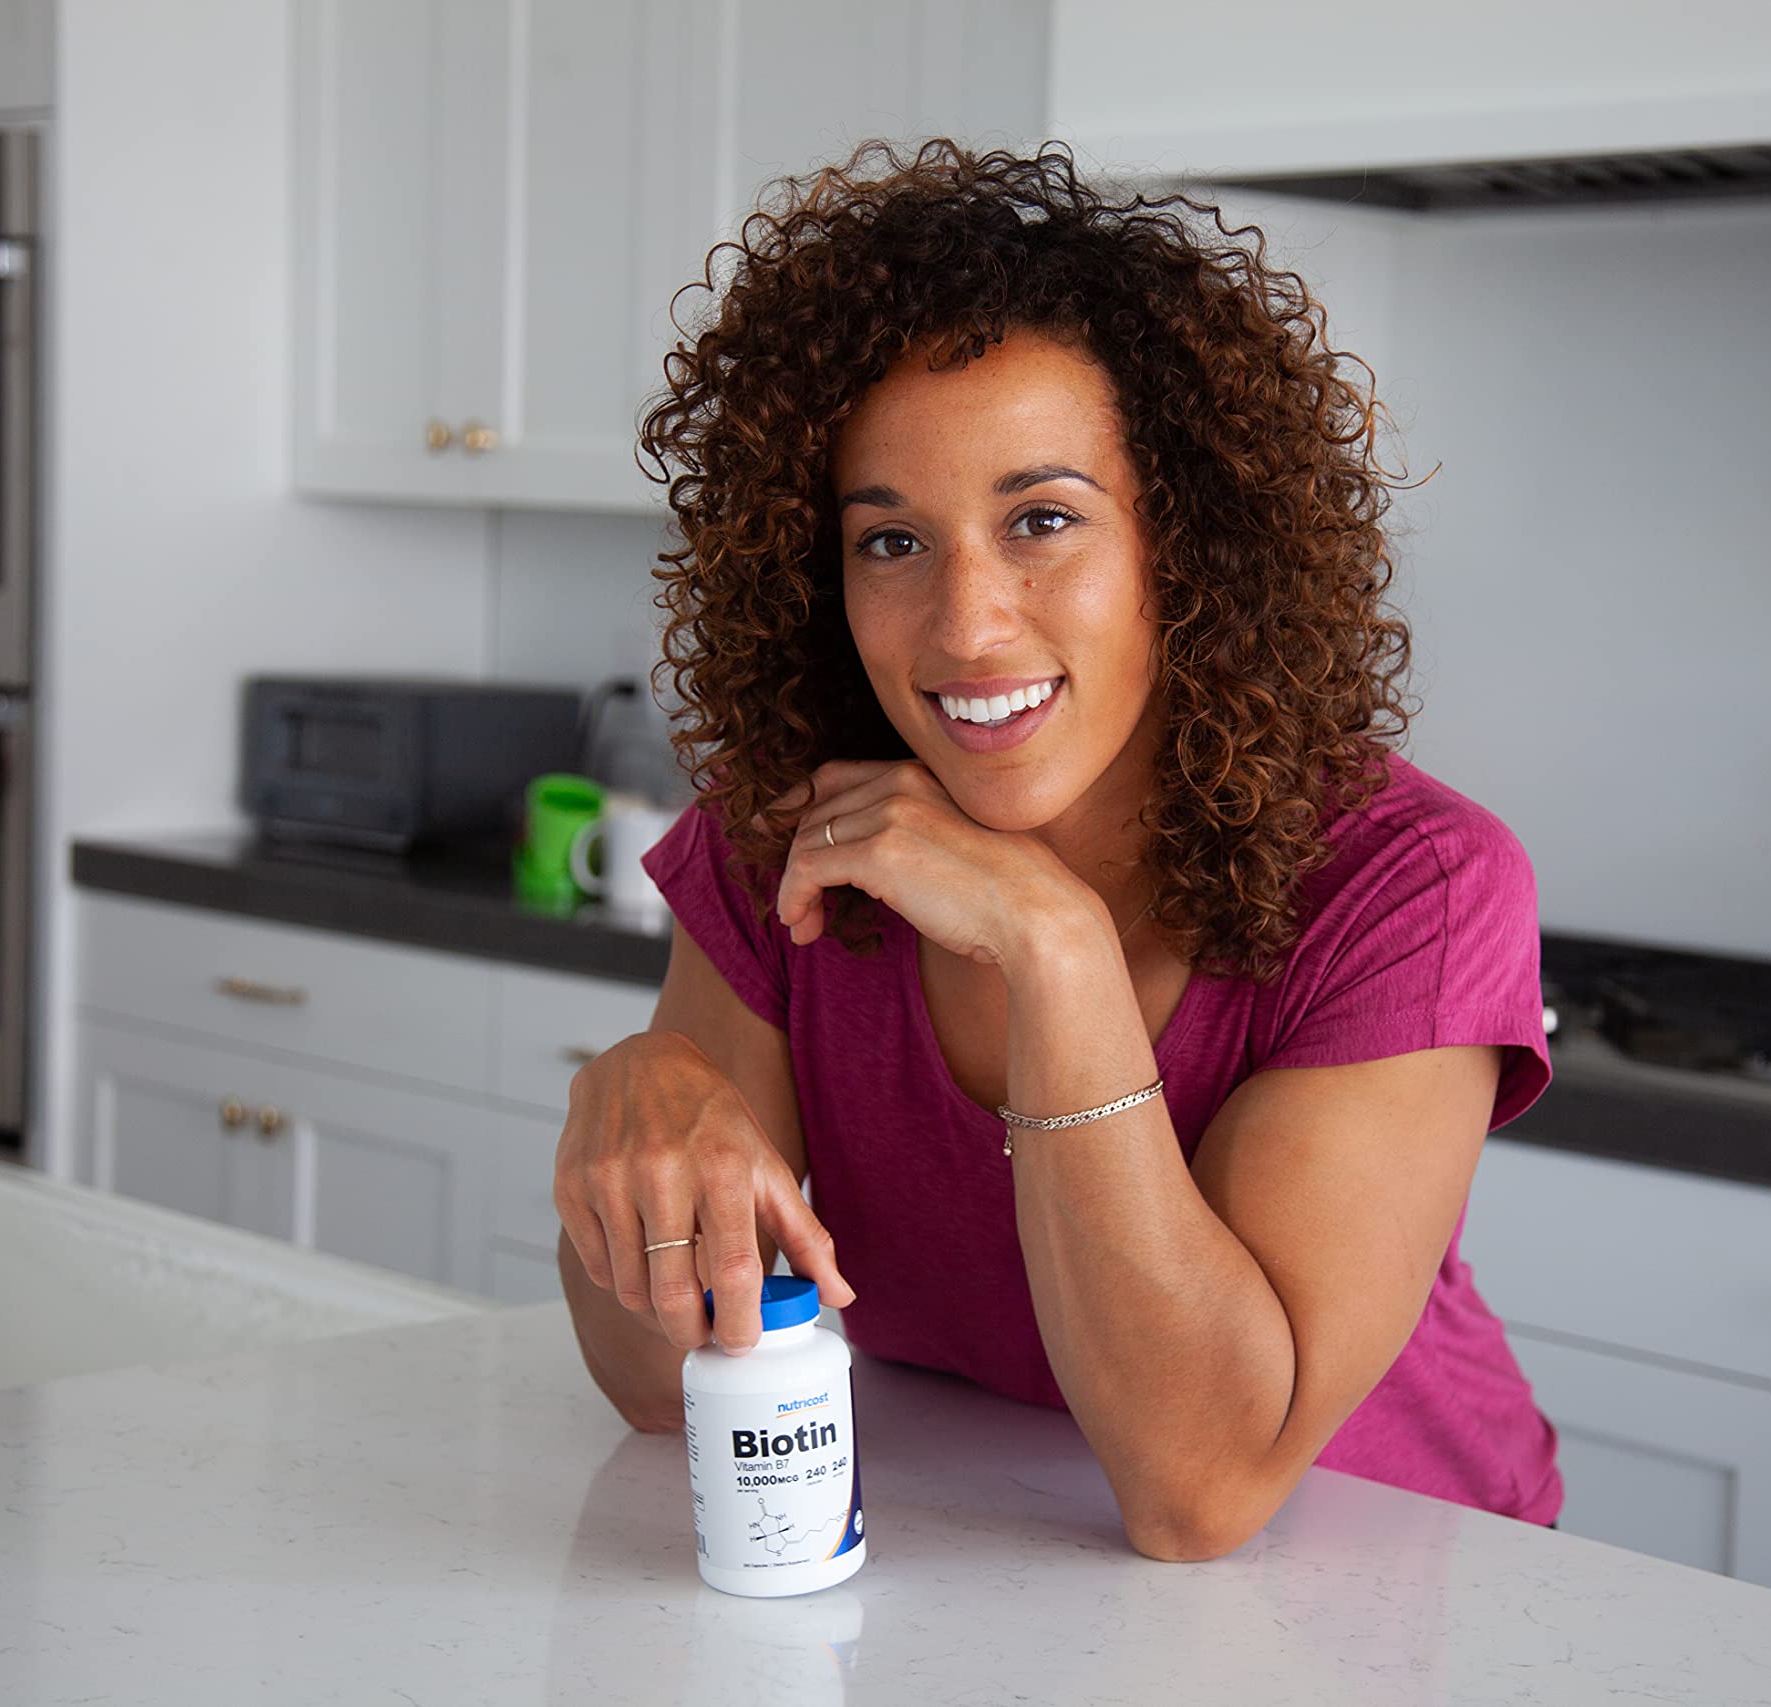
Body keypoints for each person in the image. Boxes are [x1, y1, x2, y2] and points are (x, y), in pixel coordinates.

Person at [552, 138, 1558, 1561]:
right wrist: (629, 1113)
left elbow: (1197, 1489)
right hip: (986, 1562)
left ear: (1186, 550)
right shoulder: (792, 843)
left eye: (1041, 522)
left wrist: (1054, 945)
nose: (966, 624)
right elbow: (663, 1386)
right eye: (890, 542)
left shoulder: (1415, 886)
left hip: (1409, 1593)